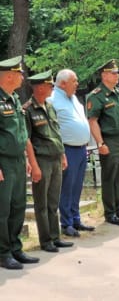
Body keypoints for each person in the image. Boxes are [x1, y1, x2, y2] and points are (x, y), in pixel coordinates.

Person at [24, 70, 74, 252]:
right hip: (42, 160)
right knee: (42, 203)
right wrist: (34, 165)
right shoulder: (28, 110)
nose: (52, 87)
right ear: (39, 87)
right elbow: (27, 140)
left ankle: (55, 236)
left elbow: (56, 133)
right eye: (49, 85)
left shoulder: (50, 107)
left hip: (54, 158)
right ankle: (46, 240)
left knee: (54, 201)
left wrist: (62, 154)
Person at [0, 56, 39, 269]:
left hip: (16, 161)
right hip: (3, 162)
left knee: (18, 206)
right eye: (19, 73)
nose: (22, 77)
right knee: (2, 209)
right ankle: (3, 252)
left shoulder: (14, 98)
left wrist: (26, 159)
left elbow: (21, 133)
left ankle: (15, 248)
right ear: (8, 76)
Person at [87, 59, 119, 226]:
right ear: (104, 75)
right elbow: (93, 121)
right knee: (109, 176)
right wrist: (100, 143)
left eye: (117, 72)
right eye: (113, 73)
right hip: (109, 140)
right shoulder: (97, 95)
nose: (117, 75)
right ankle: (110, 212)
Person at [48, 69, 95, 236]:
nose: (77, 84)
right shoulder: (52, 100)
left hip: (81, 148)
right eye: (74, 81)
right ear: (62, 83)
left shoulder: (73, 98)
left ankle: (76, 219)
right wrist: (60, 152)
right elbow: (52, 129)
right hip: (67, 149)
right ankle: (66, 222)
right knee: (67, 187)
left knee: (77, 186)